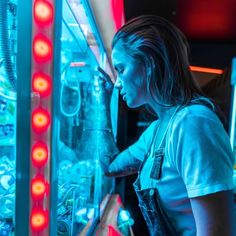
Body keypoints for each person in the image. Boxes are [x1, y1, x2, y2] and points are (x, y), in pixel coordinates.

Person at [98, 15, 235, 236]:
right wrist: (101, 105)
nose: (118, 82)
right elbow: (110, 167)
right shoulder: (157, 132)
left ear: (149, 63)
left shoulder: (193, 123)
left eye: (122, 69)